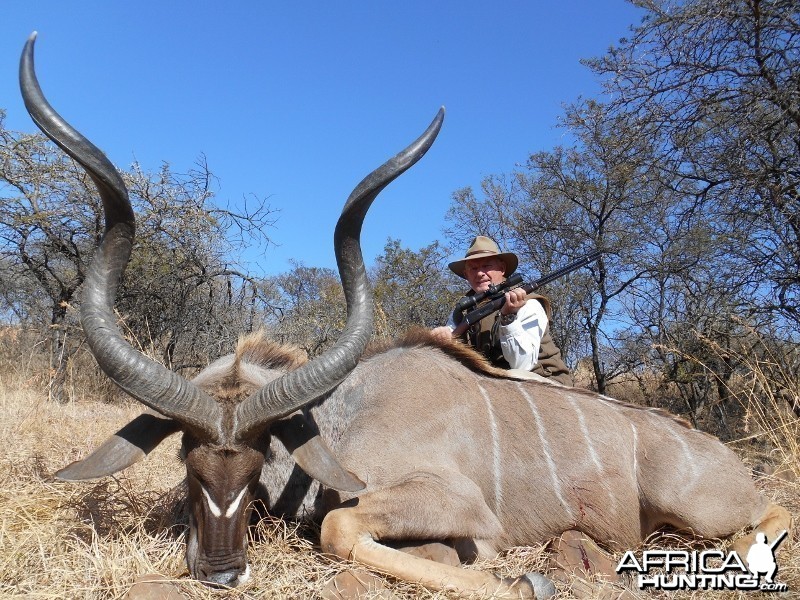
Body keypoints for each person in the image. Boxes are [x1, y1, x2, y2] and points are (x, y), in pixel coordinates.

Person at [432, 236, 572, 385]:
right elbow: (451, 332)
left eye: (486, 266)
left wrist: (508, 318)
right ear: (466, 275)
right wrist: (440, 339)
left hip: (544, 385)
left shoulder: (529, 303)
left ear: (502, 269)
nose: (480, 273)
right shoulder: (462, 310)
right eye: (473, 268)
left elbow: (522, 365)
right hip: (496, 386)